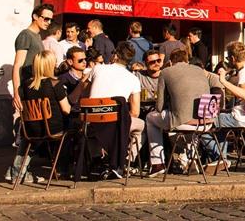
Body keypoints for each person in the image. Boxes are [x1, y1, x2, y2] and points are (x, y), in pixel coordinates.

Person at [146, 48, 222, 176]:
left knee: (150, 118)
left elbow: (159, 107)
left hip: (183, 122)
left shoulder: (165, 72)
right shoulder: (199, 71)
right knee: (184, 123)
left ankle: (157, 163)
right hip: (206, 121)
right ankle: (191, 159)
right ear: (187, 60)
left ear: (170, 61)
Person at [5, 50, 70, 184]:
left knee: (27, 140)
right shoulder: (54, 84)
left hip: (31, 129)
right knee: (73, 131)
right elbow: (66, 109)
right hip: (53, 129)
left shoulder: (24, 85)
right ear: (50, 65)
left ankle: (16, 173)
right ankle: (62, 169)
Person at [87, 41, 145, 167]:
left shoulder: (97, 69)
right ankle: (127, 160)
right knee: (142, 126)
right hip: (115, 124)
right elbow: (135, 112)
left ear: (116, 56)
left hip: (91, 122)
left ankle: (96, 156)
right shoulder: (133, 79)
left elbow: (86, 96)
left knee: (93, 126)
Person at [12, 3, 54, 113]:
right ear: (35, 16)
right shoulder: (25, 35)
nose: (49, 22)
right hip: (28, 87)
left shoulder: (38, 36)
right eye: (46, 19)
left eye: (50, 20)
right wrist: (16, 92)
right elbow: (18, 65)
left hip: (36, 86)